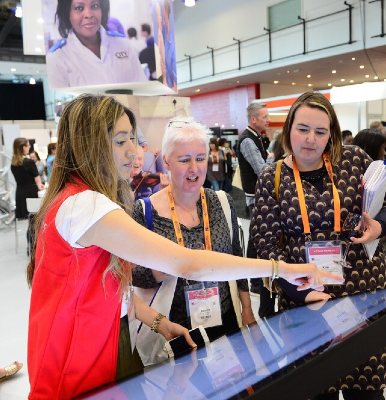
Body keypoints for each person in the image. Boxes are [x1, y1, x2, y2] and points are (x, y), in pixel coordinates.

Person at [26, 94, 340, 400]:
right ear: (89, 145)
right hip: (77, 367)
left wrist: (158, 322)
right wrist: (282, 269)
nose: (133, 152)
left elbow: (107, 291)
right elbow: (188, 264)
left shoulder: (75, 201)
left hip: (91, 358)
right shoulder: (85, 205)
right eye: (120, 141)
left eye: (133, 140)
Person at [252, 92, 386, 400]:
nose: (310, 139)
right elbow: (266, 244)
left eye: (320, 132)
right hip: (308, 305)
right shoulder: (273, 176)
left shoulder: (355, 160)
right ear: (288, 130)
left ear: (331, 134)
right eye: (303, 129)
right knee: (316, 389)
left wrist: (380, 226)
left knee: (367, 390)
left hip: (365, 297)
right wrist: (301, 292)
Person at [132, 116, 255, 364]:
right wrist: (173, 264)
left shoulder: (221, 202)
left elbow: (236, 258)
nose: (194, 168)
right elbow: (136, 277)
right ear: (166, 160)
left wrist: (247, 309)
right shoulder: (144, 211)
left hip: (225, 317)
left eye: (200, 158)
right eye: (184, 160)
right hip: (175, 328)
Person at [46, 0, 147, 88]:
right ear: (67, 13)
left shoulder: (121, 43)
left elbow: (142, 86)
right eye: (79, 8)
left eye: (94, 6)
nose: (88, 14)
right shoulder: (57, 57)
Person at [236, 102, 276, 318]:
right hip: (256, 196)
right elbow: (261, 170)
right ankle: (254, 282)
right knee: (256, 237)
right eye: (264, 116)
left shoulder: (255, 137)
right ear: (253, 119)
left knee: (255, 236)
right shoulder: (249, 140)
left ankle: (254, 282)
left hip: (258, 195)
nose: (268, 119)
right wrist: (276, 166)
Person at [10, 138, 44, 221]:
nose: (29, 147)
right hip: (31, 193)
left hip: (20, 193)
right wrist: (41, 186)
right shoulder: (29, 162)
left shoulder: (13, 164)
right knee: (34, 219)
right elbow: (38, 180)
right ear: (23, 148)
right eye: (28, 145)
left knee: (27, 219)